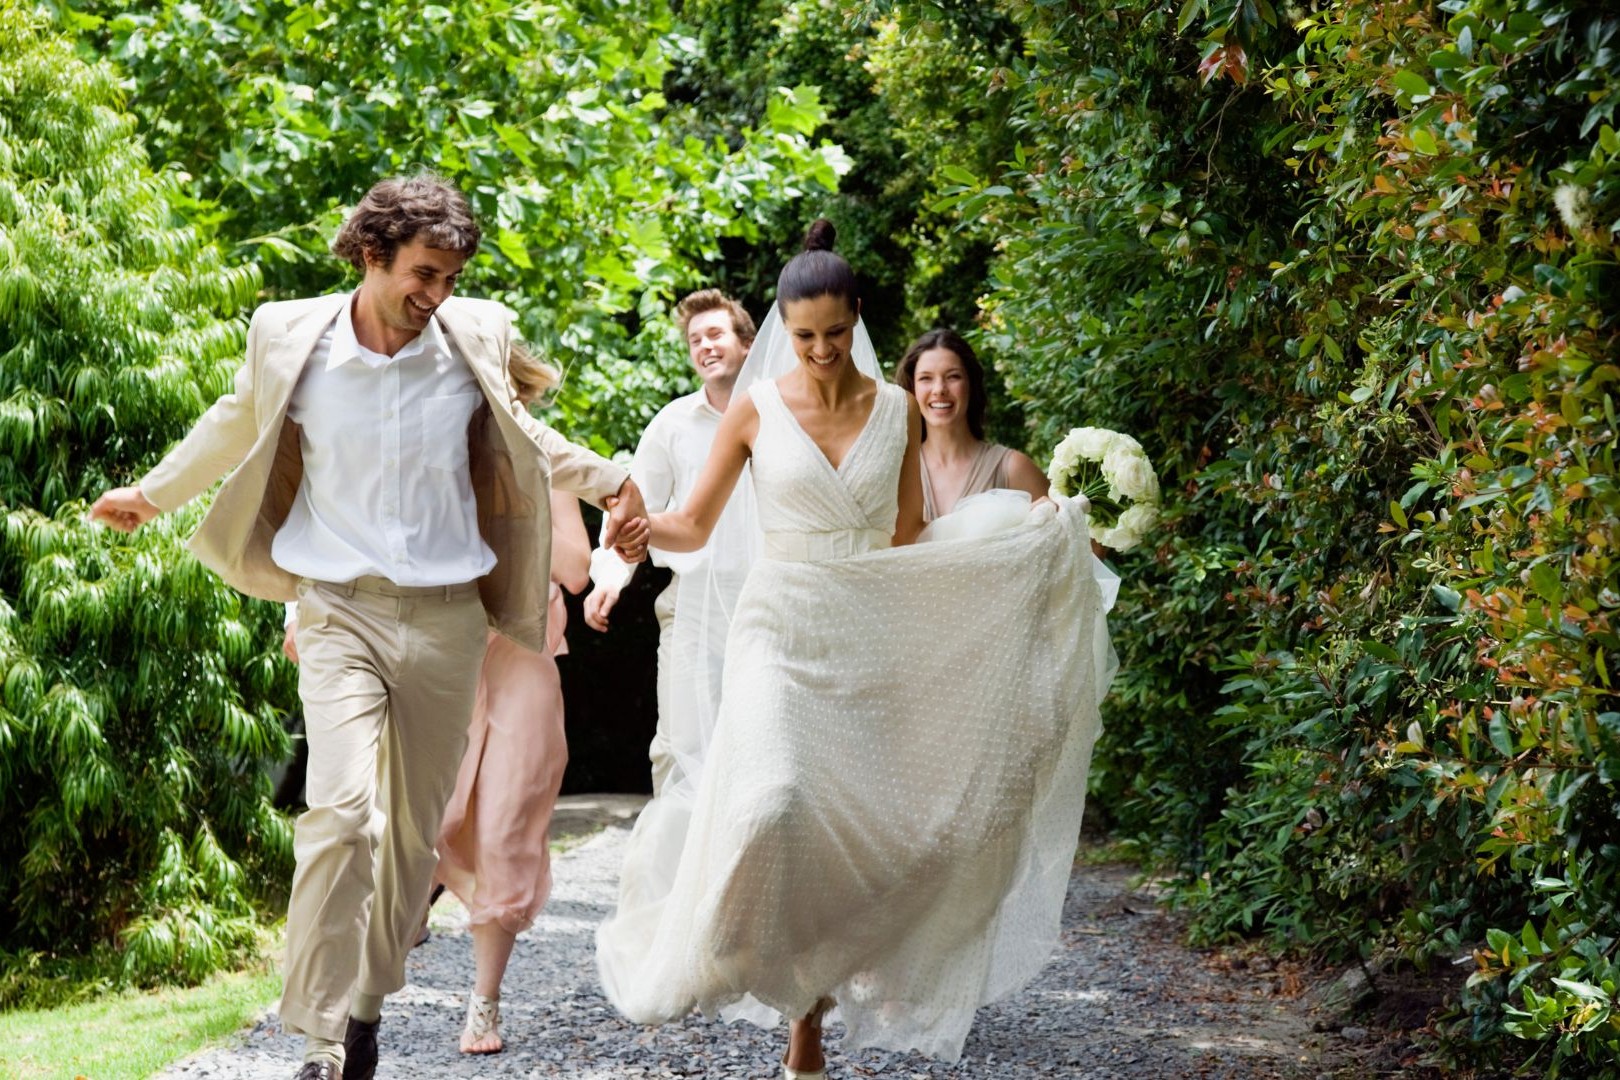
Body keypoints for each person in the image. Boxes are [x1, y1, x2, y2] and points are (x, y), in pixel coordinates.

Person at [89, 174, 649, 1080]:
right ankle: (312, 1040)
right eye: (423, 274)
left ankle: (365, 1005)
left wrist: (614, 479)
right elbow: (238, 420)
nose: (435, 295)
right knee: (340, 814)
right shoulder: (288, 335)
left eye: (451, 277)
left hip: (447, 621)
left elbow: (529, 439)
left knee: (411, 840)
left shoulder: (473, 336)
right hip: (337, 607)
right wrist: (152, 496)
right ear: (371, 254)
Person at [595, 221, 1113, 1079]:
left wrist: (1018, 553)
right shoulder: (757, 409)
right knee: (778, 802)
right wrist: (646, 530)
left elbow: (910, 534)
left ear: (858, 318)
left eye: (836, 333)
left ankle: (809, 1014)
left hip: (865, 627)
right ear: (782, 330)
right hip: (779, 624)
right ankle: (736, 951)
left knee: (863, 828)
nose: (822, 350)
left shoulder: (898, 410)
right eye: (804, 337)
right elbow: (695, 520)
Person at [281, 344, 589, 1058]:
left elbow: (573, 567)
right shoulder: (409, 450)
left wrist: (525, 510)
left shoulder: (547, 465)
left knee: (508, 824)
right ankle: (376, 959)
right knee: (408, 820)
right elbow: (346, 543)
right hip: (428, 654)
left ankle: (483, 1005)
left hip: (518, 662)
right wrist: (301, 615)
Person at [583, 288, 756, 796]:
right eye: (694, 339)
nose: (704, 346)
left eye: (716, 334)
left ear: (746, 343)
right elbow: (634, 505)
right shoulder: (672, 423)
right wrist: (610, 578)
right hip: (695, 609)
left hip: (771, 603)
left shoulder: (784, 416)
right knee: (683, 744)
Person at [893, 329, 1049, 520]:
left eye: (953, 376)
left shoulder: (1011, 468)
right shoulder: (897, 472)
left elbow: (1082, 541)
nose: (939, 389)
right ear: (912, 388)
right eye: (926, 378)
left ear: (971, 384)